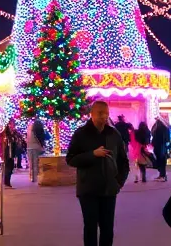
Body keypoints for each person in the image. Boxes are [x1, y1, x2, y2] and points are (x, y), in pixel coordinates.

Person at [66, 100, 130, 246]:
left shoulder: (113, 134)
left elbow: (123, 161)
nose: (104, 116)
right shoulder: (81, 134)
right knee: (90, 228)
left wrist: (119, 182)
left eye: (106, 113)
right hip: (88, 190)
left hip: (109, 189)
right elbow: (70, 159)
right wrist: (92, 154)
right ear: (92, 114)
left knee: (107, 229)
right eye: (100, 113)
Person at [0, 119, 21, 188]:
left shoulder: (14, 133)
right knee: (7, 168)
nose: (13, 126)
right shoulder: (4, 134)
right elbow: (1, 144)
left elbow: (16, 142)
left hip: (12, 154)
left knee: (11, 167)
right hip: (6, 153)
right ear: (9, 125)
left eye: (14, 124)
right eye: (12, 124)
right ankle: (7, 182)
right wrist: (1, 153)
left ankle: (7, 182)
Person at [27, 117, 47, 181]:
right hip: (37, 148)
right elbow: (42, 139)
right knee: (36, 163)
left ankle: (32, 177)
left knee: (31, 164)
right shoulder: (39, 130)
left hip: (29, 148)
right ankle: (36, 177)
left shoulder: (29, 129)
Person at [152, 117, 171, 182]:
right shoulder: (166, 129)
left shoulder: (157, 130)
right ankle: (163, 174)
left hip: (159, 147)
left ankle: (162, 175)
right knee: (163, 161)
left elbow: (154, 138)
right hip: (164, 148)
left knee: (159, 161)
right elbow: (168, 140)